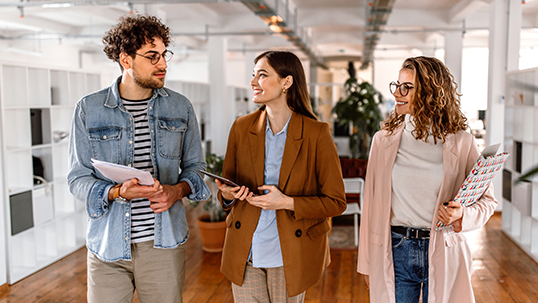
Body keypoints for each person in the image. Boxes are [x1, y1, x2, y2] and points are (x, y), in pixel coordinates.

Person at [67, 14, 210, 303]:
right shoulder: (88, 109)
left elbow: (197, 168)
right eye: (152, 56)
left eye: (164, 54)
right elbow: (77, 178)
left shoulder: (180, 107)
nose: (163, 64)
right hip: (107, 246)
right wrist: (117, 191)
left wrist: (176, 191)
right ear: (126, 60)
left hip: (163, 245)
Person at [357, 56, 498, 303]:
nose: (397, 93)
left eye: (407, 87)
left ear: (431, 92)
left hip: (443, 248)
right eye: (397, 85)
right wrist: (366, 264)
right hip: (396, 249)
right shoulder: (383, 140)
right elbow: (370, 204)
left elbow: (488, 200)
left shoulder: (462, 141)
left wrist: (462, 214)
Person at [216, 50, 347, 302]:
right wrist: (228, 194)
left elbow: (336, 202)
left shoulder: (316, 134)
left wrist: (286, 202)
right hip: (246, 251)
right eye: (253, 75)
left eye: (262, 75)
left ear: (287, 82)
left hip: (289, 254)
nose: (253, 82)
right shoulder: (241, 128)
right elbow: (227, 192)